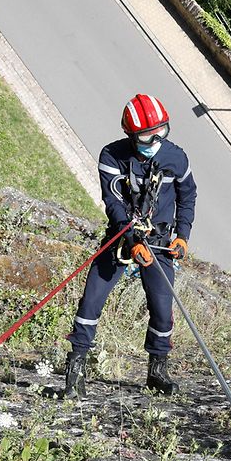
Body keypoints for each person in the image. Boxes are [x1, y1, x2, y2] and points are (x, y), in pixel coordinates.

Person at [61, 93, 196, 399]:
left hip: (159, 242)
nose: (156, 140)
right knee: (91, 300)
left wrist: (182, 235)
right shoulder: (112, 156)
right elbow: (113, 203)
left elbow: (187, 196)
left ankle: (157, 372)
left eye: (161, 132)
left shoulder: (176, 158)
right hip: (121, 238)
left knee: (162, 307)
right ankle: (75, 369)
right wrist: (132, 240)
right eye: (148, 136)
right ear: (132, 135)